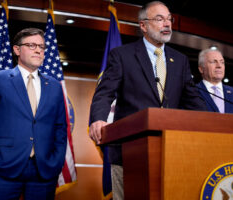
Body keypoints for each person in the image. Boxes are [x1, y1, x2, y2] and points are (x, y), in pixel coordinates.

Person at [89, 1, 206, 199]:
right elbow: (105, 92)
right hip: (129, 152)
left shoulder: (180, 60)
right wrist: (97, 119)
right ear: (143, 25)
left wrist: (213, 123)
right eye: (160, 19)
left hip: (171, 150)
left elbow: (194, 100)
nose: (167, 24)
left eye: (169, 19)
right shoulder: (122, 55)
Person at [0, 28, 67, 200]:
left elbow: (60, 127)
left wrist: (57, 161)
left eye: (41, 46)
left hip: (44, 170)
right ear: (17, 50)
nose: (38, 50)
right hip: (2, 167)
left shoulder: (54, 86)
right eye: (32, 45)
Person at [196, 49, 233, 114]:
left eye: (222, 62)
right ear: (201, 69)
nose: (219, 66)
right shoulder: (191, 92)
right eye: (213, 62)